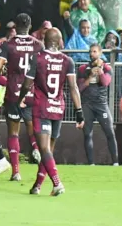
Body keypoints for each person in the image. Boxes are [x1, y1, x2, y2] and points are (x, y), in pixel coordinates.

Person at [19, 27, 84, 196]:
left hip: (41, 108)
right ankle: (37, 185)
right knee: (48, 150)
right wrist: (79, 112)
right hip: (58, 109)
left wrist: (19, 98)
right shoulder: (67, 61)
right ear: (59, 41)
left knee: (44, 149)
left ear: (45, 41)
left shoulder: (38, 59)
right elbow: (73, 87)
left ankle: (57, 184)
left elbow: (27, 84)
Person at [0, 13, 44, 181]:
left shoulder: (9, 45)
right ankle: (37, 149)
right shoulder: (38, 45)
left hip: (14, 93)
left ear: (15, 26)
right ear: (30, 26)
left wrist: (4, 70)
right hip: (32, 91)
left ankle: (16, 172)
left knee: (13, 133)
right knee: (34, 128)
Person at [77, 44, 119, 166]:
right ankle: (91, 163)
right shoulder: (83, 69)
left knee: (110, 132)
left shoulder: (107, 68)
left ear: (100, 53)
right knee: (87, 133)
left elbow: (106, 82)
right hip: (87, 104)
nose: (92, 54)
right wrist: (90, 77)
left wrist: (100, 72)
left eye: (94, 51)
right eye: (90, 51)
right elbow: (79, 88)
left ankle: (115, 162)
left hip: (101, 104)